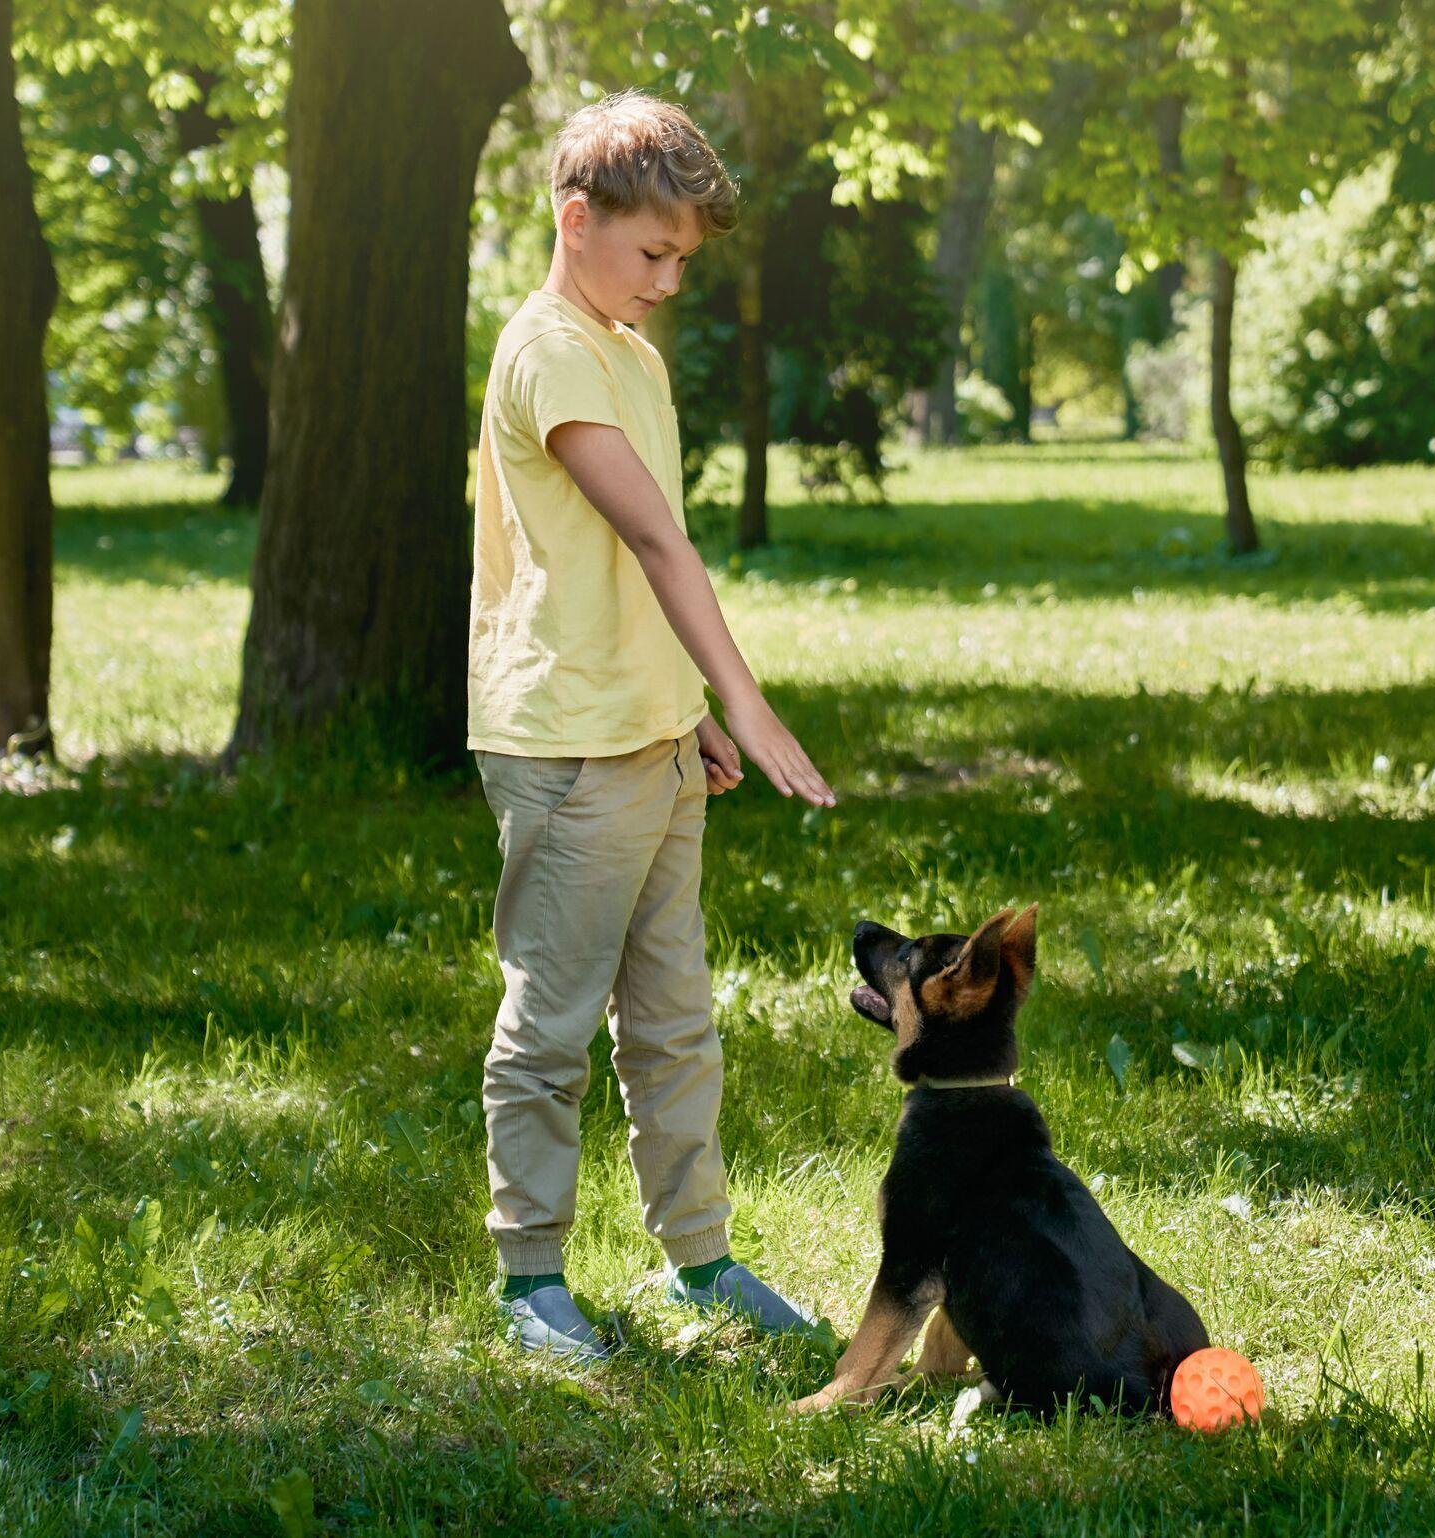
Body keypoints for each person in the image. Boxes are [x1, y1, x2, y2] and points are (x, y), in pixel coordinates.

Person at [468, 90, 835, 1362]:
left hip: (652, 736)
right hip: (568, 744)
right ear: (578, 219)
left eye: (684, 258)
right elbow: (651, 534)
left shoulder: (627, 344)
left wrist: (691, 713)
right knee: (553, 1021)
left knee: (675, 1018)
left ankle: (702, 1259)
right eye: (655, 252)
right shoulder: (553, 349)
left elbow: (639, 573)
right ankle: (530, 1282)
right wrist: (747, 694)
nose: (671, 280)